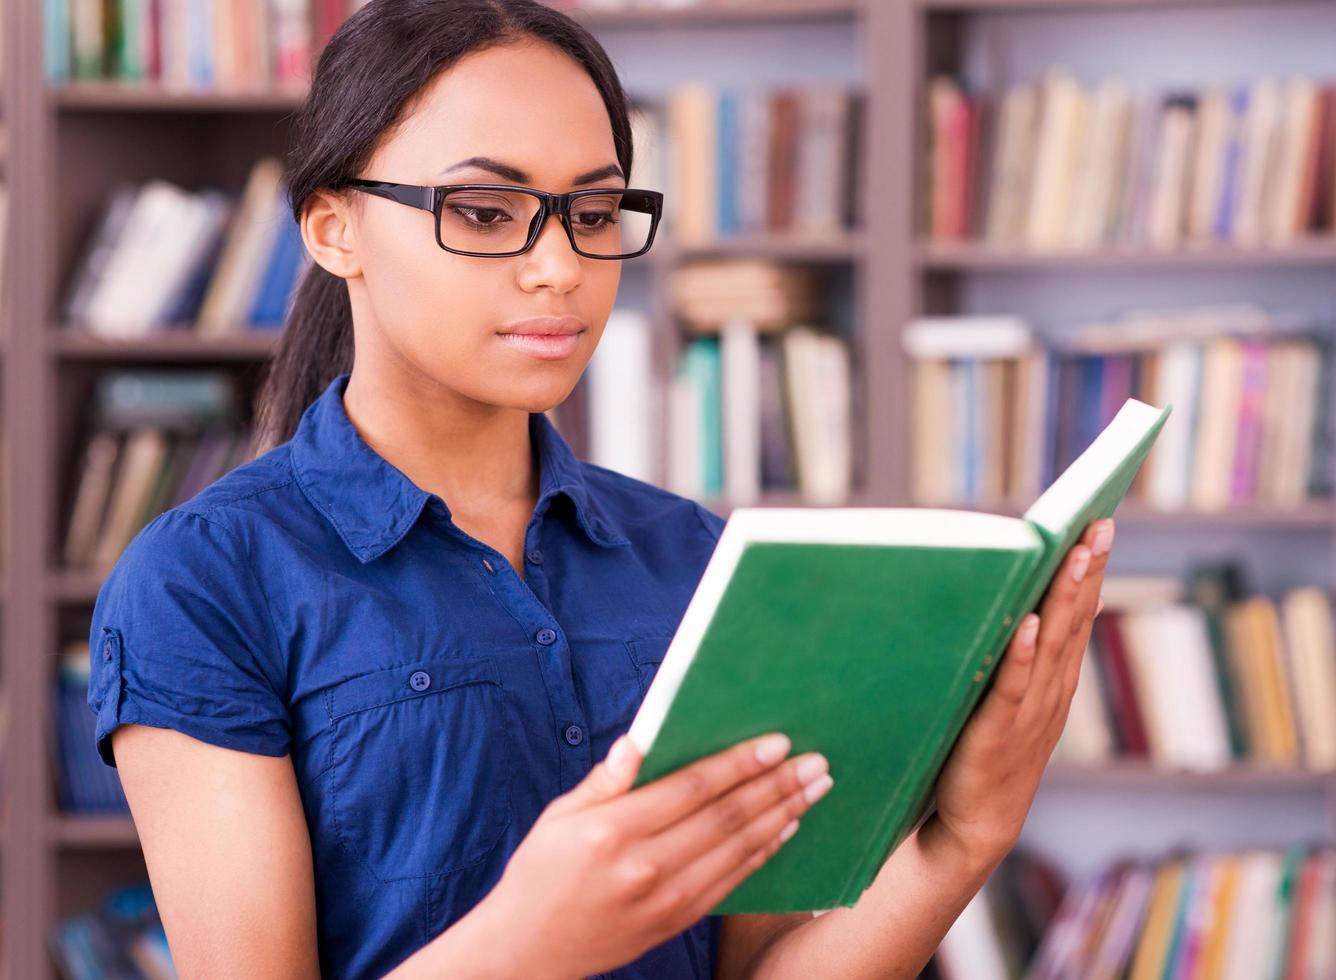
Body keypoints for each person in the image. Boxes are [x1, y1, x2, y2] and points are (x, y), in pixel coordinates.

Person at [87, 1, 1115, 976]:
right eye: (485, 212)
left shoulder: (695, 559)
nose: (558, 266)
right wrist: (533, 938)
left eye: (591, 210)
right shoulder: (202, 581)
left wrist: (965, 835)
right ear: (330, 227)